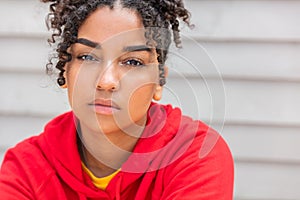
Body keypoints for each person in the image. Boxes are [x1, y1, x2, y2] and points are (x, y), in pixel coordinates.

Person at [0, 0, 234, 199]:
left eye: (133, 62)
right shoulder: (26, 169)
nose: (106, 81)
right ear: (65, 71)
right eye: (88, 57)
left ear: (159, 82)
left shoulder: (195, 156)